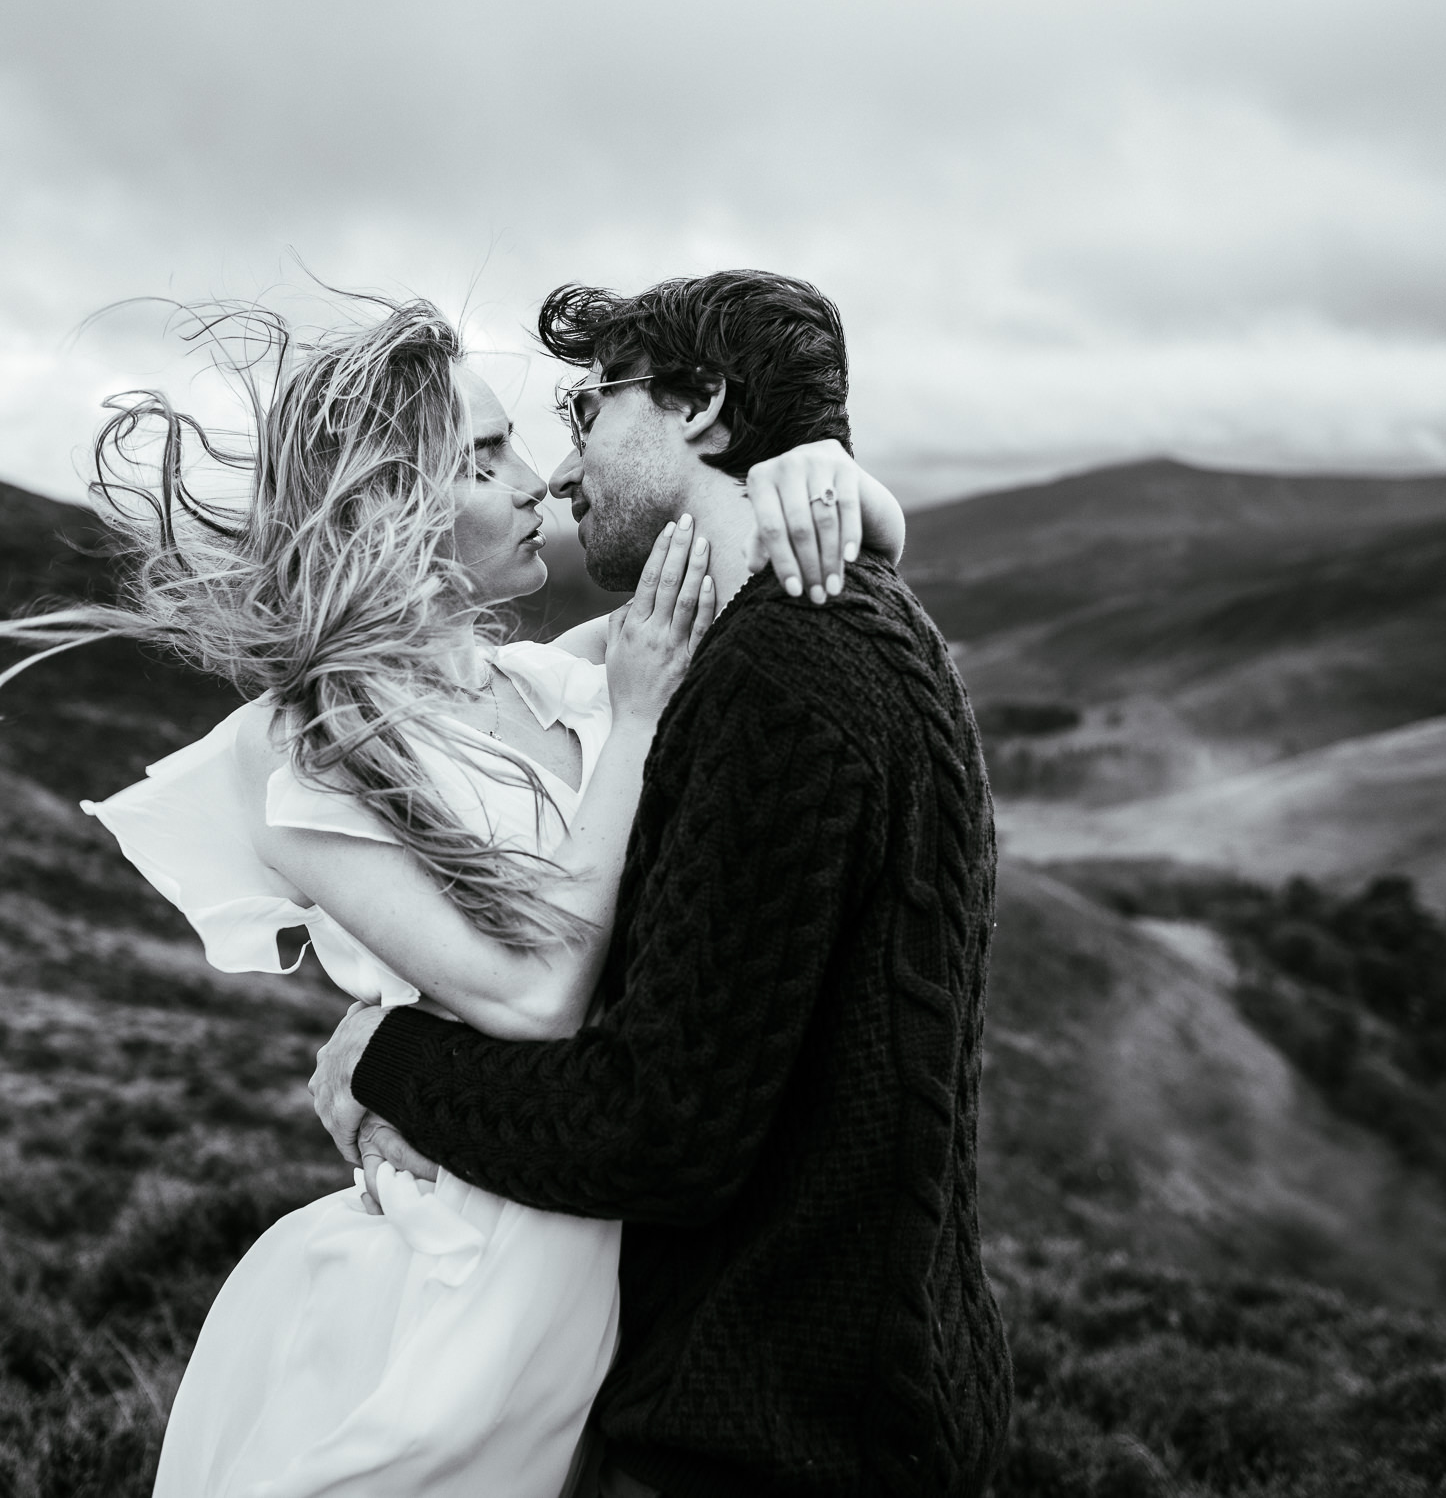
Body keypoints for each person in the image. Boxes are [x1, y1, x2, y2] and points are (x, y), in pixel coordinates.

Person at [0, 291, 909, 1498]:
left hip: (613, 1274)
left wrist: (833, 479)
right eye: (485, 459)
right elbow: (536, 997)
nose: (540, 481)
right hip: (459, 1298)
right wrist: (642, 721)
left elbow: (758, 566)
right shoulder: (313, 755)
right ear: (392, 507)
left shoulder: (553, 678)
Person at [310, 270, 1009, 1498]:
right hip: (855, 1398)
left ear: (699, 406)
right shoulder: (857, 626)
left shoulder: (781, 677)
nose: (562, 467)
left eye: (589, 407)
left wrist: (386, 1060)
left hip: (764, 1437)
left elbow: (655, 1126)